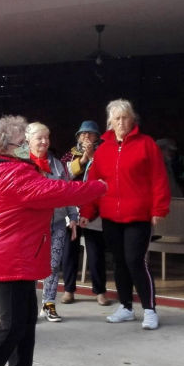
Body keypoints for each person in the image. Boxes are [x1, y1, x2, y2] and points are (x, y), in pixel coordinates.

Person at [0, 115, 106, 366]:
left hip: (18, 255)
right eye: (22, 141)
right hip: (9, 258)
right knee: (11, 324)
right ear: (6, 146)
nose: (27, 144)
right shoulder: (16, 174)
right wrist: (99, 187)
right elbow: (58, 191)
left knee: (25, 320)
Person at [80, 99, 171, 330]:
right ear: (110, 122)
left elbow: (159, 179)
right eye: (117, 119)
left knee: (135, 261)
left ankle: (149, 310)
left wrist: (159, 209)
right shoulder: (103, 150)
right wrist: (87, 212)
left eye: (125, 118)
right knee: (119, 262)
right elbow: (94, 184)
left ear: (133, 120)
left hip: (138, 216)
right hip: (111, 216)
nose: (121, 122)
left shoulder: (147, 144)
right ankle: (126, 307)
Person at [25, 122, 80, 322]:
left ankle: (48, 304)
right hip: (30, 225)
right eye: (39, 138)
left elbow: (67, 191)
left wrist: (73, 217)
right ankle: (28, 305)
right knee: (30, 266)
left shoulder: (57, 164)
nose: (44, 141)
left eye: (46, 137)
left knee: (53, 265)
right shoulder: (21, 164)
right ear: (28, 140)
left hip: (56, 223)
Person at [60, 120, 110, 306]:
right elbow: (64, 175)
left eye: (90, 133)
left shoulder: (105, 153)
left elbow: (107, 175)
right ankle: (69, 290)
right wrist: (82, 160)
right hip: (73, 208)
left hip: (94, 209)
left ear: (98, 137)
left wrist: (93, 158)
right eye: (83, 134)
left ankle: (100, 291)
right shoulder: (70, 154)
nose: (86, 136)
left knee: (96, 252)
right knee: (69, 251)